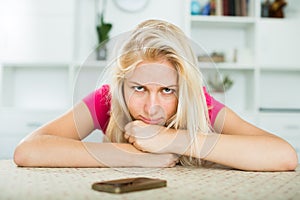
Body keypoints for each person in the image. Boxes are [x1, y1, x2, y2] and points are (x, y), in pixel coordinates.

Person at [14, 19, 298, 171]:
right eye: (139, 88)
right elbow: (28, 150)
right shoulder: (108, 99)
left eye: (167, 91)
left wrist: (174, 140)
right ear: (122, 85)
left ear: (183, 89)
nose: (152, 107)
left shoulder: (200, 103)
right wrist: (128, 155)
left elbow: (283, 156)